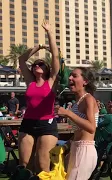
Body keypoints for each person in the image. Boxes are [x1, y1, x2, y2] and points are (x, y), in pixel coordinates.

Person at [18, 19, 60, 173]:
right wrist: (38, 47)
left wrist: (49, 32)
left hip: (46, 125)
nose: (37, 66)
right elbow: (22, 60)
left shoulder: (51, 81)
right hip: (28, 123)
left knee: (42, 166)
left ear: (47, 68)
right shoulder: (30, 81)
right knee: (24, 165)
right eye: (35, 64)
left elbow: (56, 57)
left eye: (41, 64)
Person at [55, 67, 99, 180]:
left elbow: (91, 128)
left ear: (85, 81)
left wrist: (68, 114)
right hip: (76, 149)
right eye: (70, 75)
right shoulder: (77, 102)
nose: (69, 78)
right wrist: (65, 146)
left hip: (85, 151)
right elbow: (79, 132)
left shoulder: (88, 99)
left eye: (74, 76)